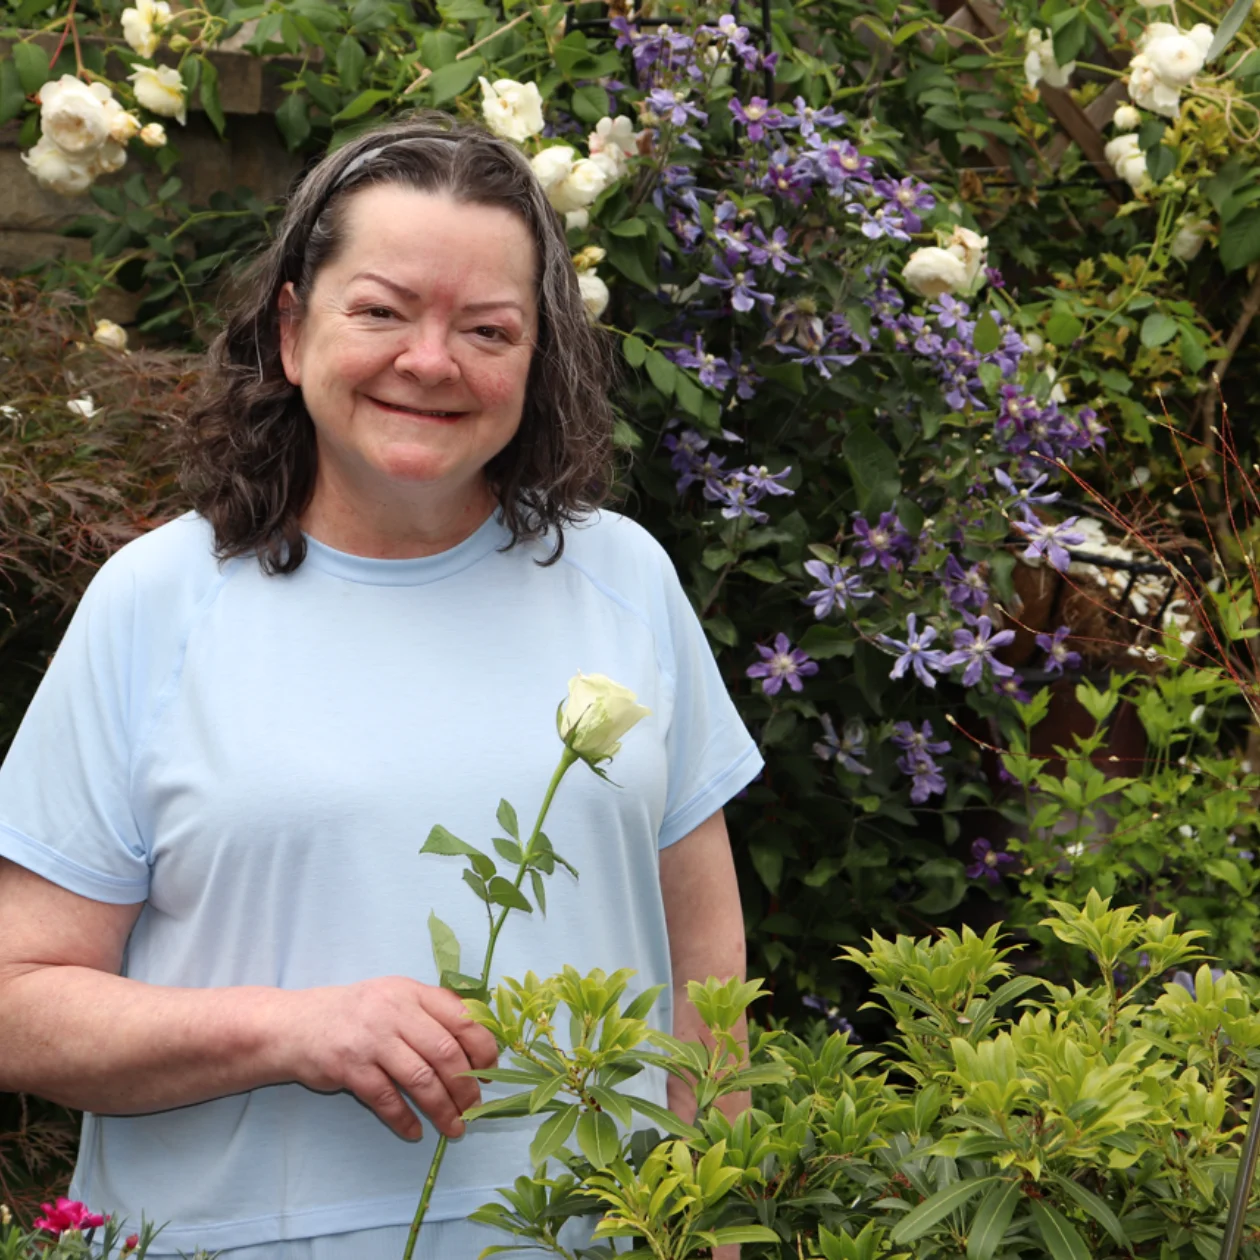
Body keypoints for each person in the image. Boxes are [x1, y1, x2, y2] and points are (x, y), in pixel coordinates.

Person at [0, 113, 762, 1258]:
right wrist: (292, 1031)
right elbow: (17, 999)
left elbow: (704, 959)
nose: (431, 360)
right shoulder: (156, 603)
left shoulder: (621, 577)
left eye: (488, 328)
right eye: (383, 311)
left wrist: (720, 1222)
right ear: (294, 331)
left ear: (537, 356)